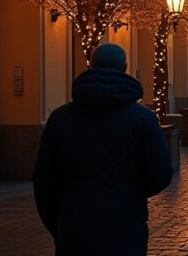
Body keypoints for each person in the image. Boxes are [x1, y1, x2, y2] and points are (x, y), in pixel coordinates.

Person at [33, 43, 172, 256]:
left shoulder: (60, 118)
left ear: (90, 65)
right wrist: (131, 193)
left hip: (74, 224)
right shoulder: (143, 118)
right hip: (125, 222)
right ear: (125, 67)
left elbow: (44, 180)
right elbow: (160, 173)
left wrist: (58, 225)